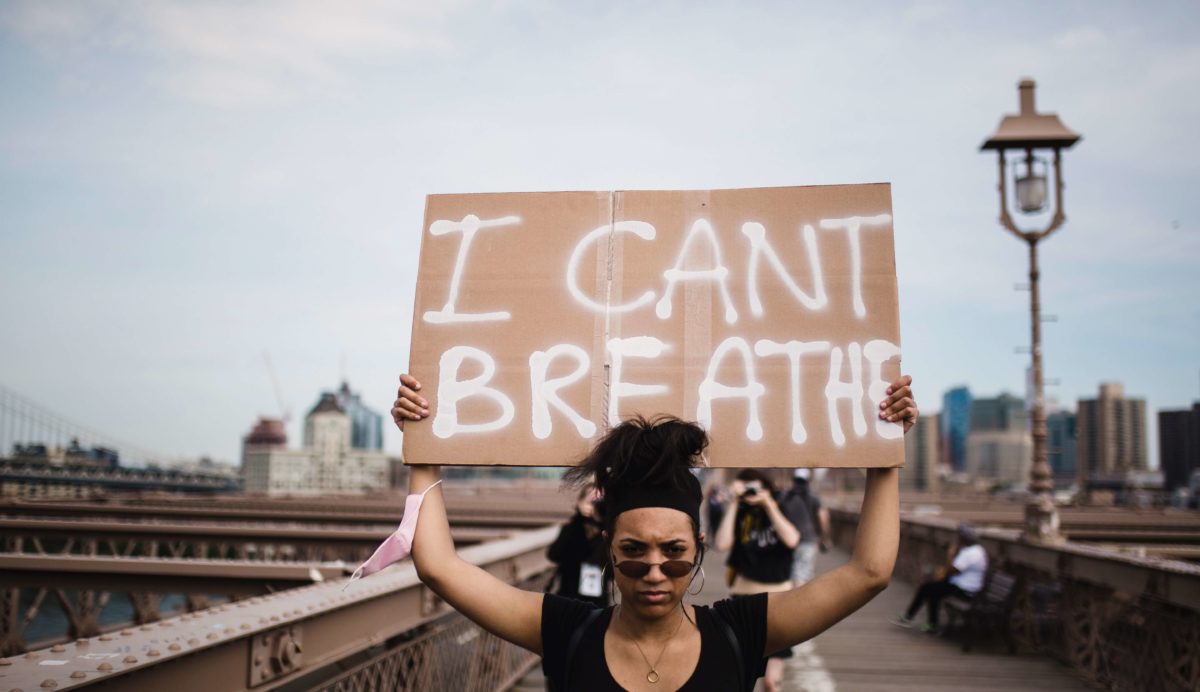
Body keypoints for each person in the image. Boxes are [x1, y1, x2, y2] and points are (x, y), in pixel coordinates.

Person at [392, 373, 918, 691]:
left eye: (674, 553)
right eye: (633, 551)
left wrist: (883, 453)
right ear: (608, 548)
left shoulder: (740, 631)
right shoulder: (567, 629)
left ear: (700, 549)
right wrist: (423, 447)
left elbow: (869, 573)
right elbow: (438, 566)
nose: (654, 571)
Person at [714, 469, 803, 692]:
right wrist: (735, 502)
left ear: (767, 487)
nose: (752, 492)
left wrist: (768, 504)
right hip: (743, 601)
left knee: (772, 682)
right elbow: (722, 544)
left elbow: (792, 540)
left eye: (755, 487)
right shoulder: (740, 513)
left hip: (779, 601)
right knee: (741, 678)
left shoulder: (781, 506)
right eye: (746, 487)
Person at [895, 522, 988, 633]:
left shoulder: (971, 553)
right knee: (930, 589)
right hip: (964, 586)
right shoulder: (977, 550)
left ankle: (915, 618)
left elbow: (953, 570)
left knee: (928, 589)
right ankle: (924, 621)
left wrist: (950, 554)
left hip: (965, 590)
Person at [547, 484, 609, 608]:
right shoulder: (572, 528)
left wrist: (604, 523)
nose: (595, 506)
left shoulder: (607, 533)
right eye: (591, 502)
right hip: (569, 596)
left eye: (599, 502)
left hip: (597, 601)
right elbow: (553, 555)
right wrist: (578, 519)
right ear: (579, 503)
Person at [782, 468, 832, 586]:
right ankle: (800, 601)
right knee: (803, 573)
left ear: (793, 479)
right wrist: (825, 537)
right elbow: (823, 517)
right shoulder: (814, 497)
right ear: (808, 480)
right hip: (808, 539)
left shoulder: (785, 496)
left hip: (787, 540)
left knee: (790, 572)